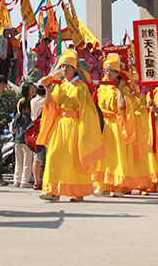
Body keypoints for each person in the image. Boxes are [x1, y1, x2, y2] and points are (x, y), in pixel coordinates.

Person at [36, 49, 104, 202]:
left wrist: (85, 132)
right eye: (62, 67)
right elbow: (50, 106)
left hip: (75, 126)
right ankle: (53, 191)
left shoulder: (81, 87)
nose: (64, 70)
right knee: (55, 157)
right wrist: (48, 91)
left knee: (74, 159)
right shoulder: (58, 86)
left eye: (67, 67)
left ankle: (78, 191)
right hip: (59, 126)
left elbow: (87, 111)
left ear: (74, 69)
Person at [92, 53, 135, 197]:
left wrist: (120, 89)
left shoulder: (123, 88)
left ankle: (118, 186)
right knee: (102, 155)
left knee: (117, 154)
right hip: (103, 124)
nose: (109, 73)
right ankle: (102, 185)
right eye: (107, 71)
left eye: (112, 71)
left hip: (116, 124)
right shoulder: (102, 87)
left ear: (118, 73)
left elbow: (123, 106)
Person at [11, 97, 34, 187]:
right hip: (26, 141)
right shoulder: (30, 117)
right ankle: (25, 180)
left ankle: (16, 179)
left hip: (17, 140)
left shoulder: (18, 116)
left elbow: (13, 128)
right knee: (27, 162)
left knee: (18, 161)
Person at [30, 81, 47, 190]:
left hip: (34, 130)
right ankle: (44, 180)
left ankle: (36, 181)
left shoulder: (33, 100)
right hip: (44, 128)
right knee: (47, 157)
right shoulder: (47, 100)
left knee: (37, 158)